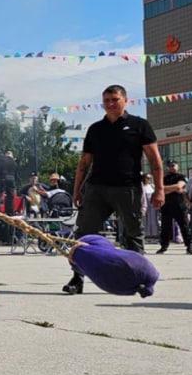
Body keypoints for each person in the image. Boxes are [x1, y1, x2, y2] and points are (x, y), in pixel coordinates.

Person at [63, 85, 163, 295]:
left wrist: (159, 189)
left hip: (127, 188)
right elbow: (84, 163)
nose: (110, 104)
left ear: (126, 100)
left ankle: (139, 279)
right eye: (106, 100)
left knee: (133, 234)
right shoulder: (95, 129)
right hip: (96, 189)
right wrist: (77, 190)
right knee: (83, 235)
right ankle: (77, 278)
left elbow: (155, 160)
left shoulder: (139, 125)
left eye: (114, 99)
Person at [155, 161, 192, 254]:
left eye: (173, 165)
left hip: (179, 205)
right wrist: (174, 188)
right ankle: (164, 246)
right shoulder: (164, 178)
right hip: (166, 206)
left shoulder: (181, 176)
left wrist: (167, 188)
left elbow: (180, 186)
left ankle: (189, 246)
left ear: (177, 166)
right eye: (170, 166)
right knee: (165, 227)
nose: (172, 167)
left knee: (184, 226)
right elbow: (161, 190)